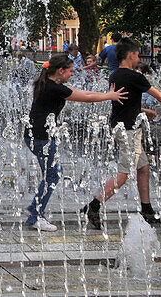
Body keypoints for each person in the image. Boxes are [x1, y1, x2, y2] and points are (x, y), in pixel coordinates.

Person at [82, 39, 161, 228]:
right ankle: (93, 206)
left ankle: (147, 211)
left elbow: (125, 101)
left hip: (121, 127)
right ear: (131, 55)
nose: (139, 58)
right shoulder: (135, 77)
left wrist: (142, 111)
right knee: (124, 174)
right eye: (138, 55)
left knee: (143, 168)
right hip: (129, 131)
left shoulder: (115, 74)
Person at [23, 56, 127, 231]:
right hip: (42, 137)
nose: (72, 73)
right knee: (53, 175)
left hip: (36, 135)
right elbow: (86, 98)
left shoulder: (48, 83)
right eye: (70, 71)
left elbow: (85, 93)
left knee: (52, 174)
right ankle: (35, 216)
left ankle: (34, 209)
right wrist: (109, 96)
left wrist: (107, 95)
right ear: (60, 71)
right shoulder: (54, 88)